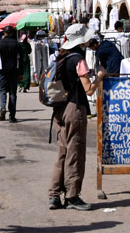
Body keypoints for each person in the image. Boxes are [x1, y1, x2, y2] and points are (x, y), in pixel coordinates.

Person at [49, 24, 103, 211]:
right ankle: (72, 196)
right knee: (75, 152)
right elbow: (88, 89)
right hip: (74, 108)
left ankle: (54, 195)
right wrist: (100, 77)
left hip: (58, 110)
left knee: (62, 153)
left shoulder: (60, 57)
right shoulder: (79, 59)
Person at [0, 26, 21, 122]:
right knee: (13, 93)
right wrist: (21, 72)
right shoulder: (17, 44)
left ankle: (2, 107)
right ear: (12, 33)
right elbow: (20, 59)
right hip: (14, 70)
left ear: (4, 33)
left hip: (3, 70)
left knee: (2, 90)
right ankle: (12, 116)